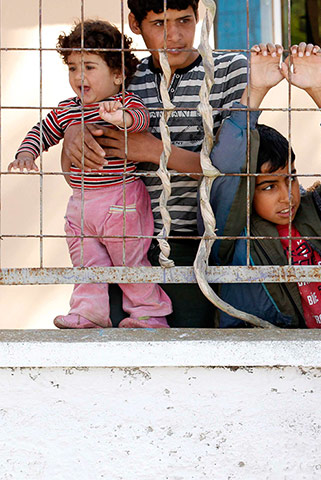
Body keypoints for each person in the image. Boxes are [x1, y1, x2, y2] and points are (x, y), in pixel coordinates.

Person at [60, 0, 248, 327]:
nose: (174, 35)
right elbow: (74, 170)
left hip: (195, 242)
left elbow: (232, 169)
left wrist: (152, 150)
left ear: (199, 16)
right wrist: (73, 132)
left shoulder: (230, 70)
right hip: (123, 238)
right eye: (159, 23)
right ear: (135, 23)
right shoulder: (121, 78)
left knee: (190, 349)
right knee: (121, 352)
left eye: (184, 20)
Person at [10, 20, 172, 329]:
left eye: (88, 67)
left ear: (117, 74)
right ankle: (89, 313)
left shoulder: (122, 103)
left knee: (130, 261)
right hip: (82, 203)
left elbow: (140, 119)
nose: (78, 76)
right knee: (86, 261)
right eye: (72, 67)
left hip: (120, 197)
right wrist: (26, 154)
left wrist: (120, 118)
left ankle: (149, 314)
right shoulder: (66, 109)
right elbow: (42, 131)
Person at [207, 42, 321, 328]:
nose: (288, 197)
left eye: (291, 179)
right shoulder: (233, 238)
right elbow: (228, 171)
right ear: (247, 191)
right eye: (268, 187)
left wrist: (320, 90)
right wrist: (257, 91)